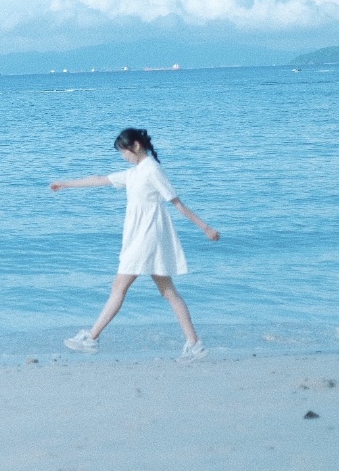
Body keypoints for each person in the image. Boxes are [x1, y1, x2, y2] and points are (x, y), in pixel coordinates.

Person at [49, 128, 220, 362]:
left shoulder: (152, 170)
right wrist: (65, 184)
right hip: (141, 237)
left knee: (119, 286)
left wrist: (205, 227)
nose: (123, 156)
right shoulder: (135, 173)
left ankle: (92, 337)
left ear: (136, 146)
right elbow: (101, 180)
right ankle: (194, 344)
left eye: (124, 151)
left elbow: (176, 203)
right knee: (168, 291)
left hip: (147, 237)